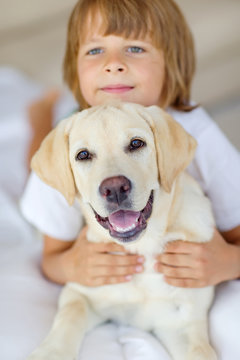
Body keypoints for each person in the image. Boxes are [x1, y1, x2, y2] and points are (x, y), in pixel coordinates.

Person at [20, 0, 240, 357]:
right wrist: (72, 265)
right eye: (95, 50)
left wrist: (227, 262)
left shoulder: (195, 133)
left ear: (172, 66)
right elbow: (52, 256)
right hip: (61, 137)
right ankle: (40, 114)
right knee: (30, 165)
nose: (114, 64)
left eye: (135, 47)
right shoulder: (69, 136)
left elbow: (236, 235)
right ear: (76, 72)